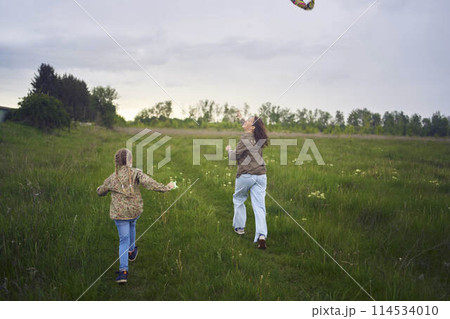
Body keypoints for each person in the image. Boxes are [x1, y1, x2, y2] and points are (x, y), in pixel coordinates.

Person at [96, 148, 174, 283]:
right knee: (132, 223)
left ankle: (123, 271)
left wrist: (101, 189)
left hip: (120, 214)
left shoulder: (111, 178)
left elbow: (100, 192)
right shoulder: (136, 173)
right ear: (130, 161)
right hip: (134, 211)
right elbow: (151, 183)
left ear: (117, 162)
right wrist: (167, 187)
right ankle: (131, 252)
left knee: (123, 239)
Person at [226, 113, 269, 249]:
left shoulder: (245, 138)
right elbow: (247, 125)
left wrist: (229, 150)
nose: (245, 122)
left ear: (252, 128)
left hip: (246, 175)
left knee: (239, 199)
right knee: (259, 207)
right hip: (261, 175)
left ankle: (239, 228)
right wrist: (240, 118)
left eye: (248, 121)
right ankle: (261, 235)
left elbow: (233, 157)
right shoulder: (258, 137)